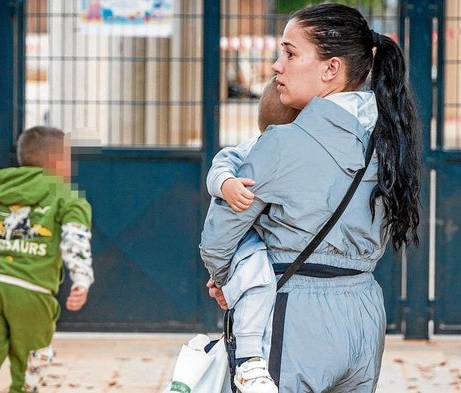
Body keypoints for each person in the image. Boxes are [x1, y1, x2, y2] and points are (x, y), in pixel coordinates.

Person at [200, 3, 421, 392]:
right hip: (365, 314)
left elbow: (218, 239)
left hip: (292, 315)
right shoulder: (390, 142)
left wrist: (227, 278)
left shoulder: (282, 144)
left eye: (289, 52)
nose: (275, 66)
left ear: (330, 68)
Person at [0, 126, 94, 393]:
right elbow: (76, 238)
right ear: (56, 161)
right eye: (69, 158)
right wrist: (81, 278)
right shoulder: (66, 195)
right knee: (30, 366)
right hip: (33, 291)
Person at [204, 77, 299, 393]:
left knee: (253, 285)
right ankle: (248, 360)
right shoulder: (250, 149)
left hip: (257, 241)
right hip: (247, 241)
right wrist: (227, 184)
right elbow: (218, 168)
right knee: (258, 282)